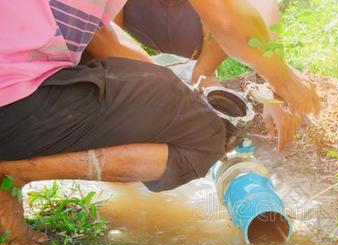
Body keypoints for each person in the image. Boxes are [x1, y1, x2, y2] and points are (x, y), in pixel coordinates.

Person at [0, 0, 320, 245]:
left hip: (13, 91)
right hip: (12, 104)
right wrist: (284, 81)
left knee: (169, 109)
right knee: (205, 136)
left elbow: (102, 35)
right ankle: (16, 171)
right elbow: (228, 16)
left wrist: (178, 91)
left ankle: (10, 226)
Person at [113, 0, 301, 149]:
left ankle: (205, 71)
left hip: (201, 26)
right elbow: (107, 40)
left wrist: (274, 85)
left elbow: (263, 5)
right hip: (145, 18)